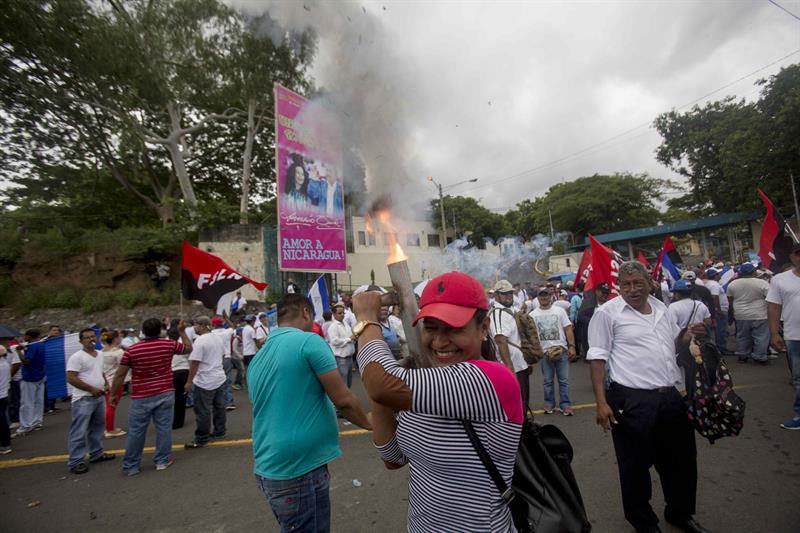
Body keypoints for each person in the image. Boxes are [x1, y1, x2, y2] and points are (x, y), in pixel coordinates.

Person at [353, 271, 523, 532]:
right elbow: (393, 458)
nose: (441, 342)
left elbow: (380, 384)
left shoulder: (494, 380)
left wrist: (366, 319)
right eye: (430, 328)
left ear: (484, 328)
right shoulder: (425, 384)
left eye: (454, 329)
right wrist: (387, 393)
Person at [587, 261, 709, 533]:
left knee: (682, 462)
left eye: (637, 283)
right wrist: (601, 403)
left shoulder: (663, 309)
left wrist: (687, 336)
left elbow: (672, 348)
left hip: (670, 397)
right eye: (626, 284)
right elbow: (597, 358)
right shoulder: (607, 313)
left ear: (649, 284)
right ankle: (643, 521)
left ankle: (680, 513)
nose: (631, 290)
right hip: (631, 401)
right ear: (619, 286)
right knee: (635, 467)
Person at [248, 294, 371, 532]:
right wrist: (370, 423)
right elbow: (343, 399)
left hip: (269, 466)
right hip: (298, 469)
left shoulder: (259, 357)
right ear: (306, 312)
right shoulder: (309, 342)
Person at [110, 318, 192, 476]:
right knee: (164, 428)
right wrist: (182, 332)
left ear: (143, 331)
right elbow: (188, 348)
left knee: (136, 431)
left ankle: (131, 465)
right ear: (160, 330)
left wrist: (113, 394)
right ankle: (162, 460)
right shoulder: (168, 345)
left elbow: (120, 375)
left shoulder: (132, 350)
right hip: (165, 391)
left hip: (141, 395)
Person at [66, 328, 116, 474]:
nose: (91, 339)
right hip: (83, 398)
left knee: (97, 428)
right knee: (79, 430)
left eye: (93, 336)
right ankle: (76, 460)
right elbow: (71, 377)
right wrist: (90, 389)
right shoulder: (77, 357)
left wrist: (105, 383)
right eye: (87, 337)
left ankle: (96, 453)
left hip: (99, 396)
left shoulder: (99, 354)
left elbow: (100, 371)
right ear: (81, 341)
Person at [766, 242, 800, 430]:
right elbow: (773, 307)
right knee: (798, 379)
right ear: (792, 257)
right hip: (794, 337)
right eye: (798, 254)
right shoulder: (779, 279)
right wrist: (773, 332)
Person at [530, 287, 577, 415]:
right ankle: (549, 403)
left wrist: (572, 346)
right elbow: (531, 335)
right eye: (541, 296)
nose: (544, 298)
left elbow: (568, 329)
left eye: (546, 296)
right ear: (538, 298)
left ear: (550, 296)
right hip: (544, 353)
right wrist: (534, 352)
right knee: (547, 381)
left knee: (564, 380)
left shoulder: (559, 311)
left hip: (561, 350)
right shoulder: (533, 315)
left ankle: (565, 405)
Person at [185, 316, 228, 448]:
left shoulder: (200, 341)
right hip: (219, 377)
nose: (194, 328)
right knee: (219, 407)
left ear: (203, 325)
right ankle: (220, 431)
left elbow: (195, 362)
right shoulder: (217, 337)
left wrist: (189, 382)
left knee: (203, 410)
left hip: (205, 381)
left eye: (196, 325)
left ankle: (201, 438)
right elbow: (221, 355)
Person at [490, 279, 531, 410]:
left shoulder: (511, 309)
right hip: (511, 368)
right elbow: (500, 340)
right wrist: (510, 368)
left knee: (523, 402)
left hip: (520, 365)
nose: (508, 296)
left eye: (510, 293)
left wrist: (526, 361)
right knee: (515, 406)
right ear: (496, 295)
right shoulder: (497, 313)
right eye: (504, 293)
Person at [727, 263, 771, 364]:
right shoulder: (762, 283)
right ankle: (759, 356)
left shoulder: (732, 284)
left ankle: (743, 355)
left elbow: (730, 300)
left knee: (742, 335)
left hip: (741, 314)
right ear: (753, 271)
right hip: (760, 314)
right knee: (761, 336)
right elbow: (769, 299)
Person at [14, 329, 45, 437]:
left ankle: (25, 426)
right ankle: (37, 421)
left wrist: (19, 352)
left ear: (29, 336)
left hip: (29, 376)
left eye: (25, 336)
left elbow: (26, 361)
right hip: (40, 375)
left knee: (27, 402)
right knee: (38, 400)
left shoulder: (32, 347)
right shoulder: (41, 344)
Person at [101, 330, 126, 438]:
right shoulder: (118, 352)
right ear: (115, 338)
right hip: (115, 381)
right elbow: (123, 366)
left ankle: (109, 428)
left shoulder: (100, 352)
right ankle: (109, 429)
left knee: (109, 405)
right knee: (111, 406)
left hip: (104, 381)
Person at [327, 304, 356, 390]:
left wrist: (354, 338)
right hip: (341, 359)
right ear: (334, 314)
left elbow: (351, 336)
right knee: (343, 384)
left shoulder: (345, 324)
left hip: (350, 357)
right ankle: (343, 403)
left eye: (343, 313)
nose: (342, 314)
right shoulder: (333, 326)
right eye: (340, 313)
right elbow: (334, 341)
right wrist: (349, 339)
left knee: (349, 382)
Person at [704, 268, 729, 352]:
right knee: (720, 331)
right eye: (718, 274)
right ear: (715, 275)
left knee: (714, 331)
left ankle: (715, 349)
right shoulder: (714, 285)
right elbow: (714, 297)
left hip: (713, 310)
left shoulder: (709, 283)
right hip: (718, 311)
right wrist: (718, 310)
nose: (719, 275)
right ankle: (721, 349)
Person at [0, 346, 11, 454]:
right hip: (4, 394)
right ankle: (6, 442)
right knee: (4, 419)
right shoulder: (5, 364)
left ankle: (5, 444)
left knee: (2, 421)